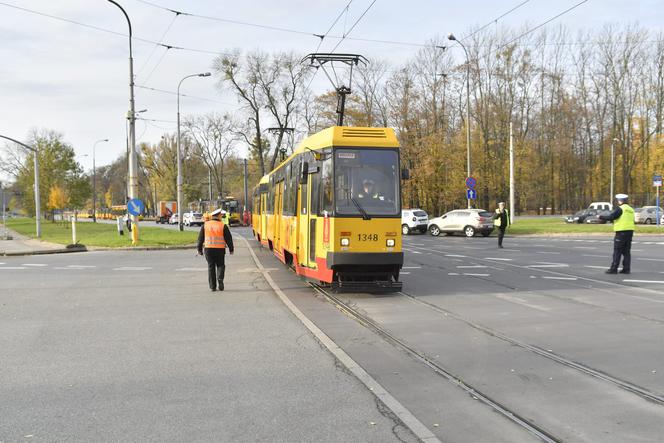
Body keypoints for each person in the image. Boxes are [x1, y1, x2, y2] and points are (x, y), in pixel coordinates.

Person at [197, 208, 234, 291]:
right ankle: (220, 278)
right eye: (221, 215)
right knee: (220, 265)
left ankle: (212, 286)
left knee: (211, 267)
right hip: (220, 250)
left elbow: (200, 239)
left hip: (208, 249)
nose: (221, 216)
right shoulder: (223, 225)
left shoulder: (205, 225)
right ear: (218, 216)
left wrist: (199, 250)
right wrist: (231, 249)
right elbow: (229, 239)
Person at [599, 193, 635, 274]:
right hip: (630, 232)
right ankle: (626, 269)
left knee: (617, 251)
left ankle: (614, 268)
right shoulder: (631, 209)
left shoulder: (620, 209)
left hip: (621, 232)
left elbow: (612, 217)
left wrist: (601, 217)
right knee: (626, 252)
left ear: (620, 201)